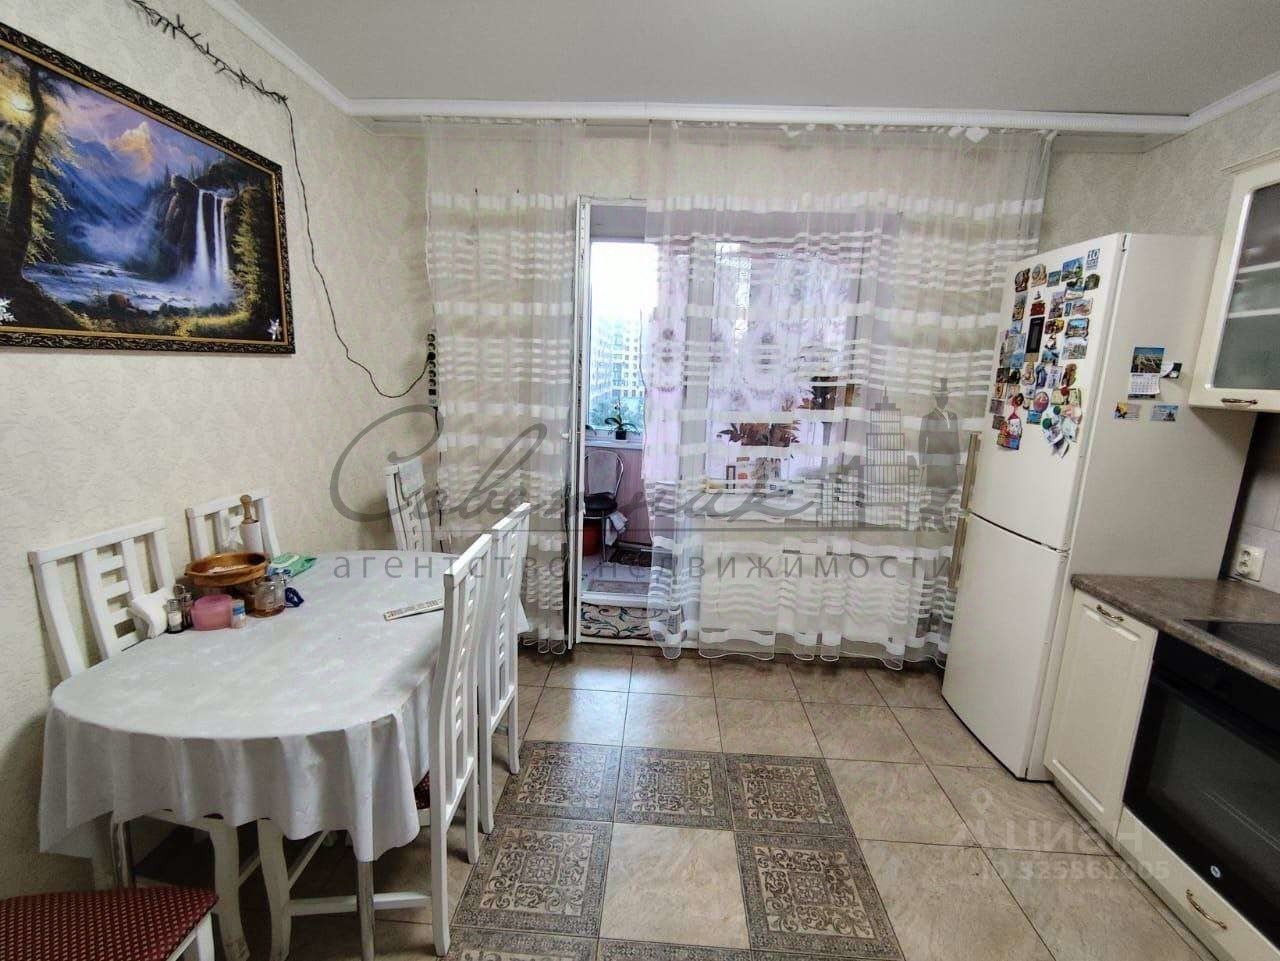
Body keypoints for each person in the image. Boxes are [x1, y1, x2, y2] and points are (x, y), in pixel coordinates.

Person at [920, 377, 961, 530]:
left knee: (952, 487)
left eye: (946, 397)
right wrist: (922, 460)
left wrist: (957, 457)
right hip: (935, 460)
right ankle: (938, 521)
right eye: (941, 397)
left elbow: (955, 436)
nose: (944, 400)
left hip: (949, 460)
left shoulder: (953, 416)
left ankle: (927, 511)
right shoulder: (928, 417)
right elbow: (921, 439)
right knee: (937, 491)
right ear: (937, 399)